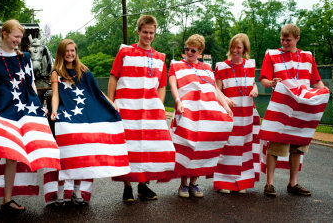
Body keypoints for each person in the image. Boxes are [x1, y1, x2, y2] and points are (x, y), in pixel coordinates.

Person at [0, 19, 60, 214]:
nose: (18, 41)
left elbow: (30, 85)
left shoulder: (24, 58)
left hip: (21, 112)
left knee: (13, 156)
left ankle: (7, 199)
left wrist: (40, 107)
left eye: (20, 37)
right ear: (4, 34)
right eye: (15, 36)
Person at [49, 39, 130, 206]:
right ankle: (60, 192)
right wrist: (54, 110)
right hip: (66, 117)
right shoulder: (56, 72)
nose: (70, 54)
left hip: (85, 118)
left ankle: (77, 190)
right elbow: (56, 94)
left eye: (73, 50)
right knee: (65, 155)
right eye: (67, 51)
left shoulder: (84, 71)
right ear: (61, 53)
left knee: (82, 153)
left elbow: (96, 92)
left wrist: (111, 104)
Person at [108, 15, 176, 202]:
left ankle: (142, 186)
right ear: (138, 31)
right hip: (127, 108)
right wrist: (112, 102)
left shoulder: (160, 57)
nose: (148, 36)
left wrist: (159, 106)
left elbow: (162, 85)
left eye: (151, 33)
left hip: (150, 112)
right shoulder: (125, 52)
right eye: (145, 32)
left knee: (149, 147)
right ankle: (127, 187)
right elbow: (114, 77)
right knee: (128, 147)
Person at [259, 24, 326, 197]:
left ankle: (293, 183)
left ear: (297, 39)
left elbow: (316, 81)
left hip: (301, 108)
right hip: (281, 107)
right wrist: (271, 83)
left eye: (288, 40)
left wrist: (324, 91)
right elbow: (264, 80)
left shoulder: (308, 57)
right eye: (282, 39)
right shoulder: (272, 55)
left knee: (298, 146)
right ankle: (270, 184)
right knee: (275, 145)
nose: (284, 42)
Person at [169, 34, 233, 198]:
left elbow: (214, 90)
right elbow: (173, 84)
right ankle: (183, 185)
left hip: (206, 115)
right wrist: (178, 101)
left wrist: (225, 106)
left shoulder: (206, 68)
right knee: (187, 147)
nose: (189, 52)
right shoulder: (176, 65)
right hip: (187, 113)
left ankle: (194, 183)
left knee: (202, 147)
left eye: (193, 50)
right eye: (187, 49)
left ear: (200, 51)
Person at [213, 33, 259, 194]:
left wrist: (254, 89)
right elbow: (216, 88)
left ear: (244, 49)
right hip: (230, 112)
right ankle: (224, 182)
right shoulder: (222, 66)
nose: (235, 50)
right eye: (233, 47)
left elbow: (254, 84)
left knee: (245, 146)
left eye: (238, 47)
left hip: (247, 112)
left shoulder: (250, 65)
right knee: (229, 145)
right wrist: (226, 100)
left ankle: (242, 181)